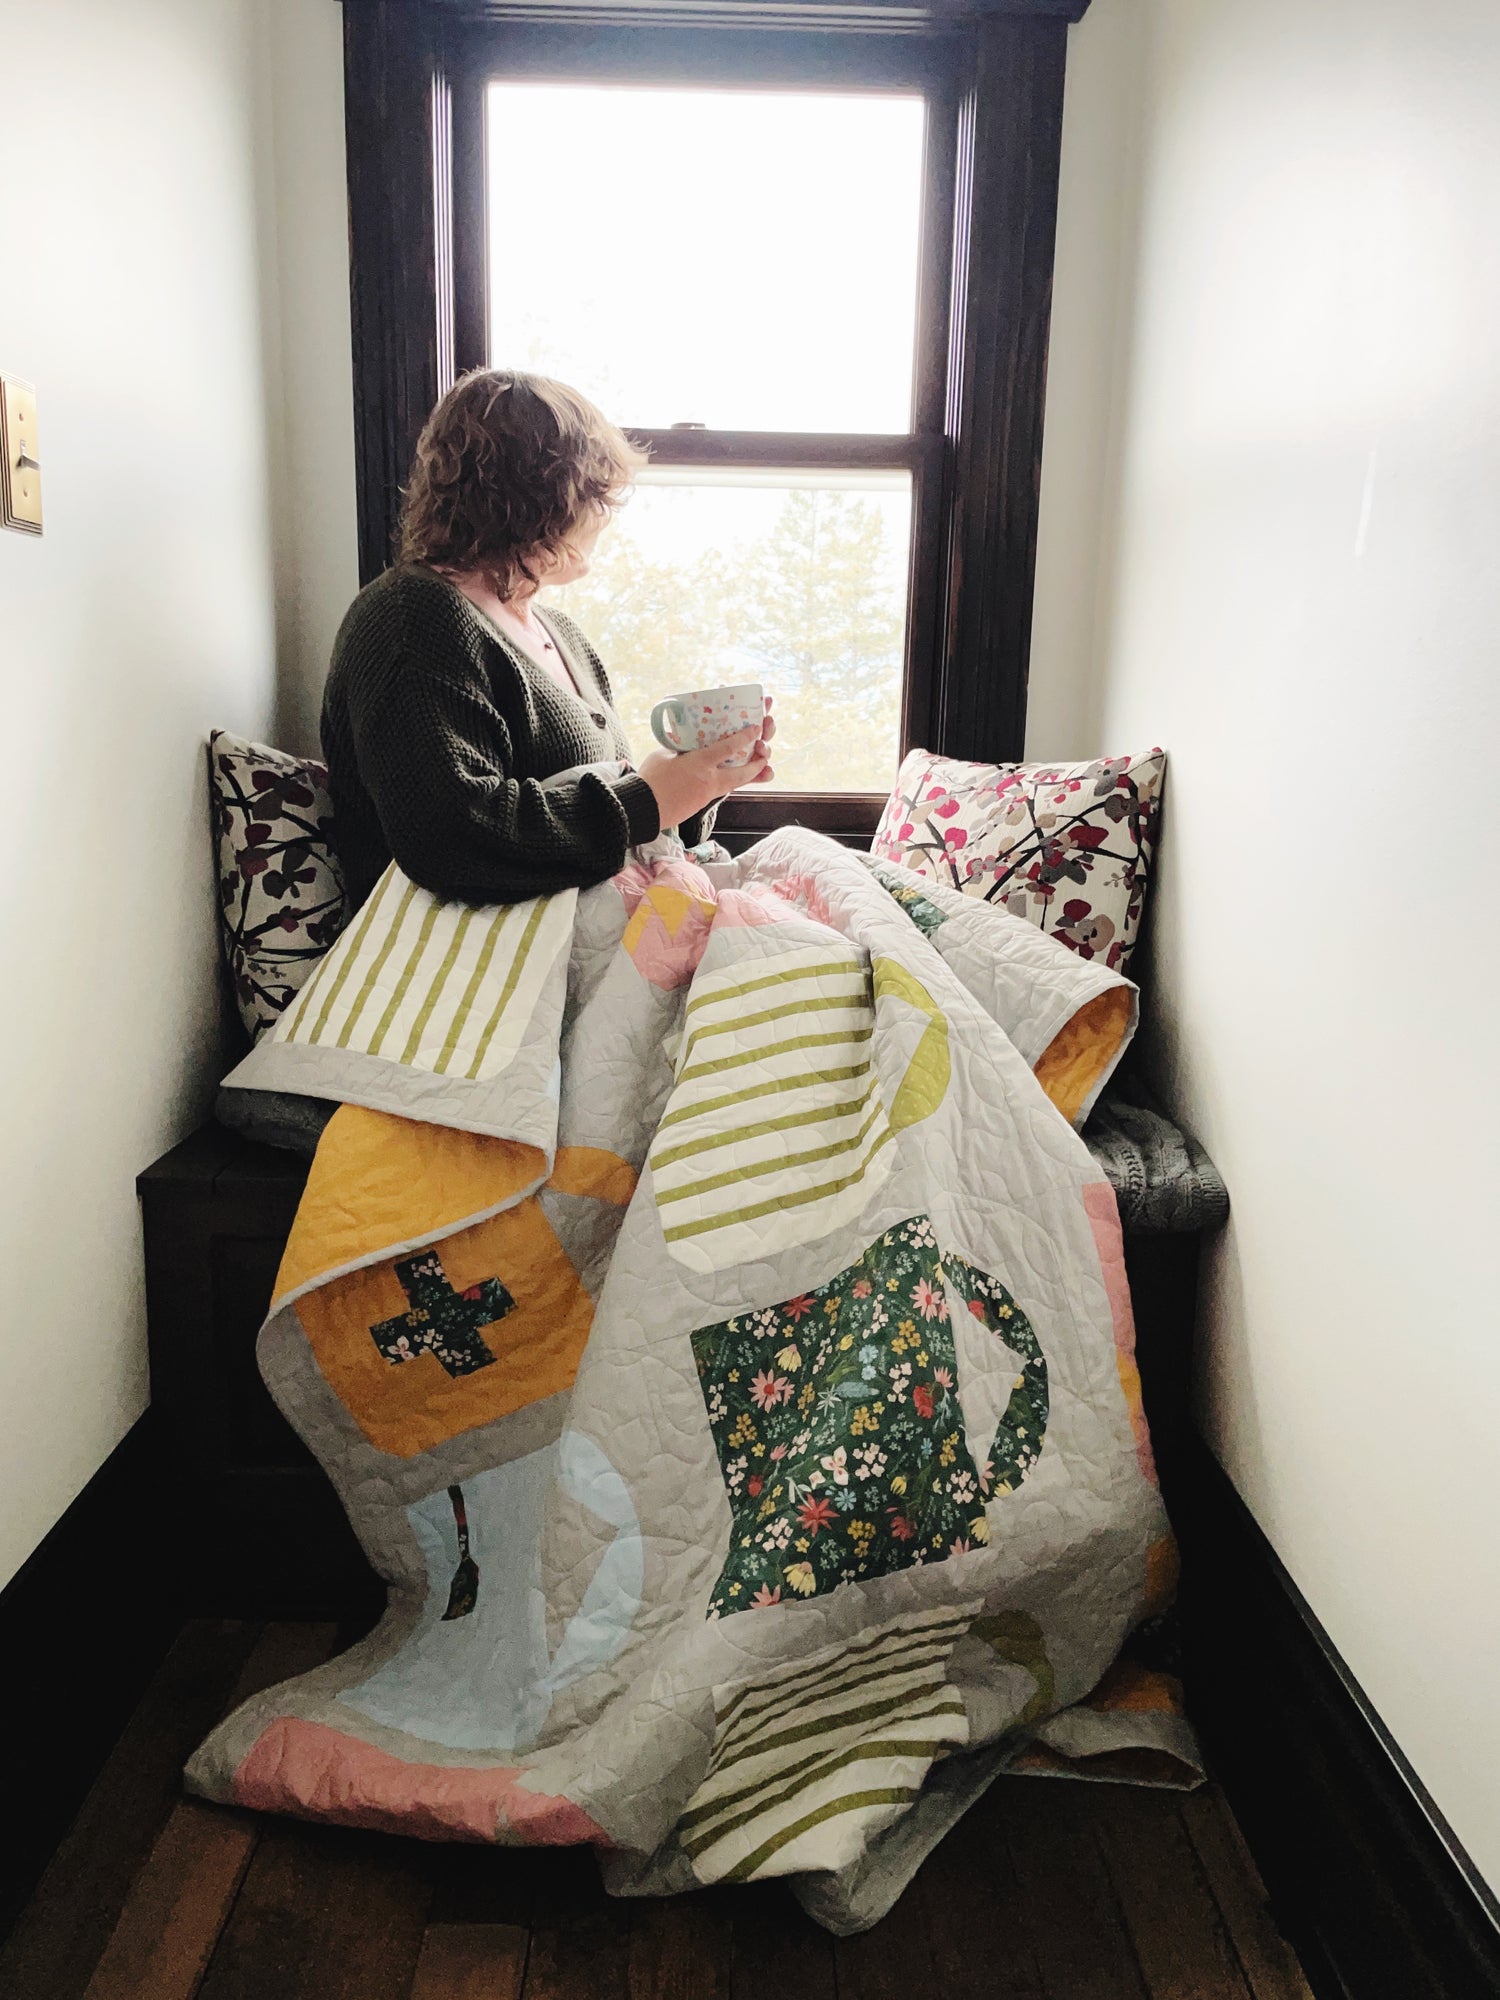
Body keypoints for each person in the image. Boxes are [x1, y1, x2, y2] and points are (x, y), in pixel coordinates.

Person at [321, 368, 774, 912]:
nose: (604, 518)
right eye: (595, 497)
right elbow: (451, 839)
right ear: (545, 497)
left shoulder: (566, 637)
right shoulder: (410, 618)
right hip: (492, 975)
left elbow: (616, 834)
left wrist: (699, 785)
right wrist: (647, 800)